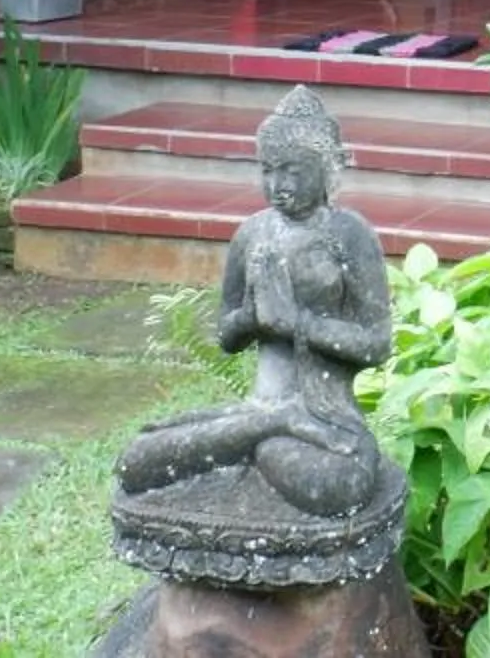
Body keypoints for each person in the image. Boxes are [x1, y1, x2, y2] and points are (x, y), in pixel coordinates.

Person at [115, 88, 393, 519]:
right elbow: (227, 336)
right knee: (134, 461)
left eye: (293, 172)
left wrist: (294, 322)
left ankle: (249, 435)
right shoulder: (252, 234)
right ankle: (268, 424)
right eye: (267, 170)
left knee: (341, 487)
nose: (278, 185)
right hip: (264, 406)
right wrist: (251, 317)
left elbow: (377, 344)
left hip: (327, 417)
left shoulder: (349, 235)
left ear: (327, 169)